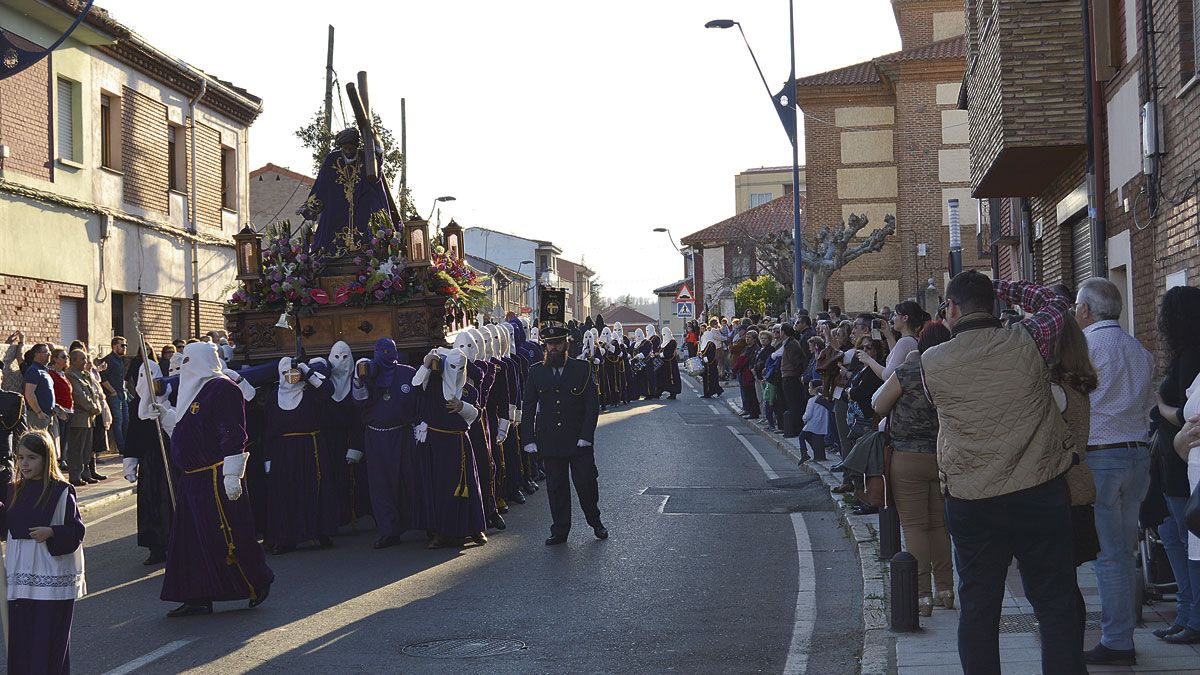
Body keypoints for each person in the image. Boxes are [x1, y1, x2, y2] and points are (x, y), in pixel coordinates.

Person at [921, 272, 1084, 675]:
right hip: (1038, 490)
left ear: (952, 309)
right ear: (994, 306)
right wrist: (1006, 286)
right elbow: (1056, 303)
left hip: (971, 498)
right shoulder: (1028, 340)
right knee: (1055, 601)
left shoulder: (931, 361)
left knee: (978, 607)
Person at [1072, 277, 1156, 665]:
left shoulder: (1085, 348)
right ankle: (1122, 633)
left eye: (1077, 307)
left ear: (1086, 310)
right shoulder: (1139, 349)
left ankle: (1117, 640)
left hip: (1102, 458)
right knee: (1123, 552)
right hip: (1137, 455)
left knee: (1109, 554)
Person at [155, 341, 273, 617]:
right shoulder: (192, 390)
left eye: (188, 361)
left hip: (214, 477)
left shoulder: (222, 388)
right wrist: (166, 417)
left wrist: (232, 473)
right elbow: (191, 432)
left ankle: (256, 581)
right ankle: (197, 595)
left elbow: (233, 431)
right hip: (192, 481)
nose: (184, 366)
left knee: (226, 534)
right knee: (190, 542)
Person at [872, 322, 953, 617]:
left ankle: (921, 595)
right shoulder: (950, 371)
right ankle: (946, 587)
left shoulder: (908, 371)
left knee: (914, 526)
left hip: (907, 457)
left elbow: (879, 405)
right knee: (938, 525)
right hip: (942, 454)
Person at [4, 430, 86, 674]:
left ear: (47, 458)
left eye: (31, 457)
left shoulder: (62, 491)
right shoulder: (13, 490)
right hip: (21, 577)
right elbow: (6, 526)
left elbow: (76, 530)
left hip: (51, 577)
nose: (24, 463)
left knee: (48, 640)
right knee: (22, 639)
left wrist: (52, 532)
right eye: (20, 457)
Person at [520, 320, 603, 546]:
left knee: (586, 484)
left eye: (557, 343)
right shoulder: (536, 372)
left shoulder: (582, 369)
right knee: (556, 488)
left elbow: (591, 406)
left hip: (578, 441)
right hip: (551, 441)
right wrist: (528, 439)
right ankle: (560, 530)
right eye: (549, 344)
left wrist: (586, 437)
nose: (553, 348)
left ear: (566, 344)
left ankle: (595, 521)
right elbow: (528, 407)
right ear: (544, 346)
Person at [1151, 285, 1200, 644]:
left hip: (1184, 467)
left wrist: (1159, 406)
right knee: (1174, 541)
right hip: (1172, 465)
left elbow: (1187, 415)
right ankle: (1185, 613)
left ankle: (1193, 617)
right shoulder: (1185, 354)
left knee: (1187, 544)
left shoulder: (1192, 357)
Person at [411, 347, 488, 548]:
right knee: (439, 488)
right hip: (437, 445)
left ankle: (475, 528)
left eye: (460, 367)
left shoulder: (469, 390)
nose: (456, 371)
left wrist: (463, 407)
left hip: (460, 444)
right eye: (452, 367)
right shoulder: (434, 385)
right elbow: (415, 387)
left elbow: (476, 414)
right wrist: (426, 363)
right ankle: (439, 532)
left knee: (468, 486)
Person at [262, 357, 338, 554]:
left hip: (310, 449)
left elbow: (328, 390)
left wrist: (308, 371)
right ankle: (285, 538)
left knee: (314, 488)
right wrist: (268, 458)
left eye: (293, 372)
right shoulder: (273, 397)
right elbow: (269, 429)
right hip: (283, 453)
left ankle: (320, 532)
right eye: (286, 372)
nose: (290, 376)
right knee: (285, 493)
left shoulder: (310, 393)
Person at [353, 338, 423, 549]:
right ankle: (389, 530)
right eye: (381, 351)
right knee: (381, 485)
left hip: (402, 435)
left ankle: (419, 522)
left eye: (389, 350)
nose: (386, 355)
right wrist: (358, 380)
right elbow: (358, 402)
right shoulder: (366, 373)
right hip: (376, 437)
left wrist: (420, 426)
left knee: (409, 479)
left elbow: (418, 401)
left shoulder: (407, 373)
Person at [126, 345, 174, 566]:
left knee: (169, 503)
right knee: (151, 505)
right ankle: (156, 548)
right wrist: (130, 463)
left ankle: (175, 544)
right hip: (148, 462)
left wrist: (165, 416)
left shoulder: (168, 401)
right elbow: (132, 435)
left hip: (170, 462)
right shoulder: (136, 405)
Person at [65, 350, 100, 487]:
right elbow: (79, 395)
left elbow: (93, 393)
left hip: (89, 417)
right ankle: (75, 475)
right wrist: (92, 407)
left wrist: (96, 407)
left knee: (86, 448)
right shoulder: (71, 374)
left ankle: (86, 472)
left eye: (85, 359)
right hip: (79, 416)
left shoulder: (84, 374)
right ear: (73, 360)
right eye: (81, 359)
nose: (85, 362)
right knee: (77, 448)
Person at [101, 337, 129, 456]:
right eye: (122, 345)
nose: (124, 348)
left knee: (126, 420)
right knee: (118, 420)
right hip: (113, 395)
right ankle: (121, 448)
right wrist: (112, 391)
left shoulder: (120, 360)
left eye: (125, 346)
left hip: (122, 394)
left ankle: (127, 445)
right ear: (114, 346)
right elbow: (103, 378)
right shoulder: (108, 360)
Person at [779, 324, 807, 438]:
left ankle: (796, 428)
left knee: (794, 404)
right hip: (787, 376)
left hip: (791, 377)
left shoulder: (792, 344)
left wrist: (796, 374)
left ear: (783, 332)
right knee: (790, 404)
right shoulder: (788, 343)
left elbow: (797, 362)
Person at [22, 343, 55, 434]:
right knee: (38, 444)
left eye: (49, 352)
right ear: (36, 354)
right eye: (45, 352)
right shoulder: (34, 370)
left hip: (47, 415)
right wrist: (39, 412)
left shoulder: (44, 370)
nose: (49, 354)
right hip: (37, 416)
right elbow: (29, 393)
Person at [733, 330, 761, 419]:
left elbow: (748, 360)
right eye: (746, 338)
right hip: (743, 373)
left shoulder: (755, 349)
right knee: (746, 393)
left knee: (751, 394)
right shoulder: (746, 348)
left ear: (754, 339)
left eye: (749, 338)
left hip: (749, 373)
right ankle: (748, 410)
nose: (747, 340)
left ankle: (753, 413)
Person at [801, 379, 830, 463]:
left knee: (801, 437)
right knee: (809, 437)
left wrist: (803, 418)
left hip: (812, 424)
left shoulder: (811, 400)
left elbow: (808, 414)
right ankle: (817, 451)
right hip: (822, 424)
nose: (808, 389)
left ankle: (804, 453)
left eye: (810, 387)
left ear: (815, 389)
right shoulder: (824, 399)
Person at [658, 327, 682, 400]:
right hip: (664, 364)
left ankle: (673, 393)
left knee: (672, 378)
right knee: (663, 378)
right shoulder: (664, 343)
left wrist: (661, 354)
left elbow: (669, 352)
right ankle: (659, 391)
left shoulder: (672, 342)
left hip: (671, 364)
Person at [699, 329, 724, 399]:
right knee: (708, 380)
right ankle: (709, 393)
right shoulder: (705, 344)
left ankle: (710, 393)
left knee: (711, 380)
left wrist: (705, 359)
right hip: (706, 365)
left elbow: (711, 355)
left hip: (710, 366)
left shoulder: (711, 344)